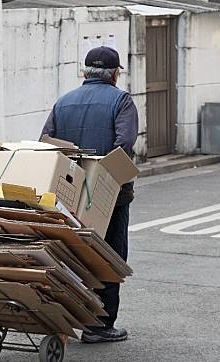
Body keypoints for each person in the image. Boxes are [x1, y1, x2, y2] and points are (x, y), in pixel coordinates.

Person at [40, 46, 138, 343]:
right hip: (109, 197)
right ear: (116, 73)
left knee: (71, 254)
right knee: (107, 257)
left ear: (85, 72)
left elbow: (45, 142)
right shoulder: (121, 101)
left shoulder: (63, 102)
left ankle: (67, 315)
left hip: (65, 195)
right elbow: (124, 145)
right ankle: (99, 324)